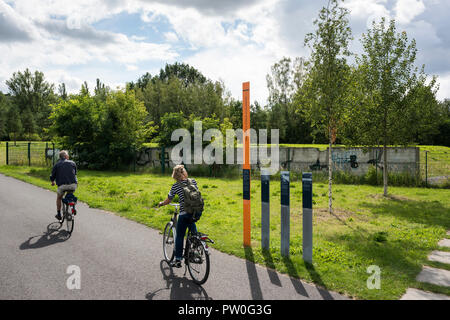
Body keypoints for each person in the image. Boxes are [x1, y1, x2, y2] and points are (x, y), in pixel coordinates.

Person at [158, 165, 198, 268]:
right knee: (194, 234)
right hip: (195, 212)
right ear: (183, 173)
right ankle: (196, 251)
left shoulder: (175, 186)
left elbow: (168, 200)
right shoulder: (193, 181)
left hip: (184, 213)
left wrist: (162, 203)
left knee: (180, 236)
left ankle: (178, 260)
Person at [50, 150, 78, 221]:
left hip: (62, 186)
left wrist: (53, 181)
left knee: (59, 198)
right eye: (68, 155)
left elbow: (52, 176)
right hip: (73, 185)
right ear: (66, 156)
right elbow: (75, 174)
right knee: (70, 193)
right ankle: (72, 206)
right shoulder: (72, 163)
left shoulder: (56, 164)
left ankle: (59, 214)